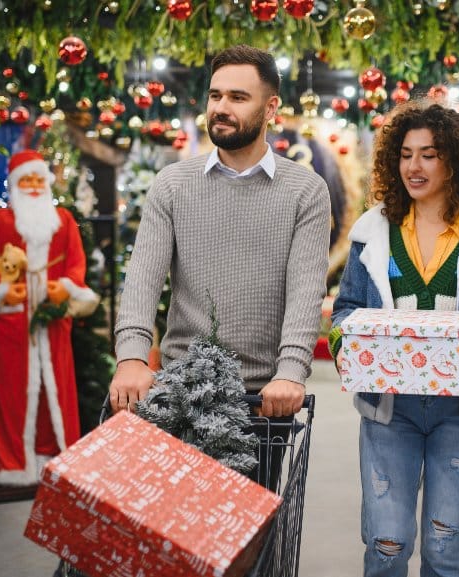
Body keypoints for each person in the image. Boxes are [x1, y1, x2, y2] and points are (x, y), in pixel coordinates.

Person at [328, 100, 459, 577]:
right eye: (406, 154)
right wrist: (348, 345)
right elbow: (346, 311)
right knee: (387, 547)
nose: (414, 166)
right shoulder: (373, 230)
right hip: (389, 409)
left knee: (446, 553)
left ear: (455, 159)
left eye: (429, 154)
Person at [109, 45, 331, 424]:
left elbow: (305, 291)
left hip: (262, 396)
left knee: (255, 487)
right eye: (215, 95)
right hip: (182, 387)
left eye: (238, 97)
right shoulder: (173, 184)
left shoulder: (305, 190)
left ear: (271, 108)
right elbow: (143, 278)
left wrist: (291, 372)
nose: (220, 107)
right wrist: (131, 357)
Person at [0, 149, 100, 488]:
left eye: (37, 179)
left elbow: (75, 265)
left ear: (46, 183)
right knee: (10, 396)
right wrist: (1, 292)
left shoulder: (63, 223)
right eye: (24, 180)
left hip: (52, 326)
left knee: (53, 391)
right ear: (14, 185)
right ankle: (10, 463)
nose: (31, 186)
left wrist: (67, 288)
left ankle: (52, 457)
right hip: (9, 329)